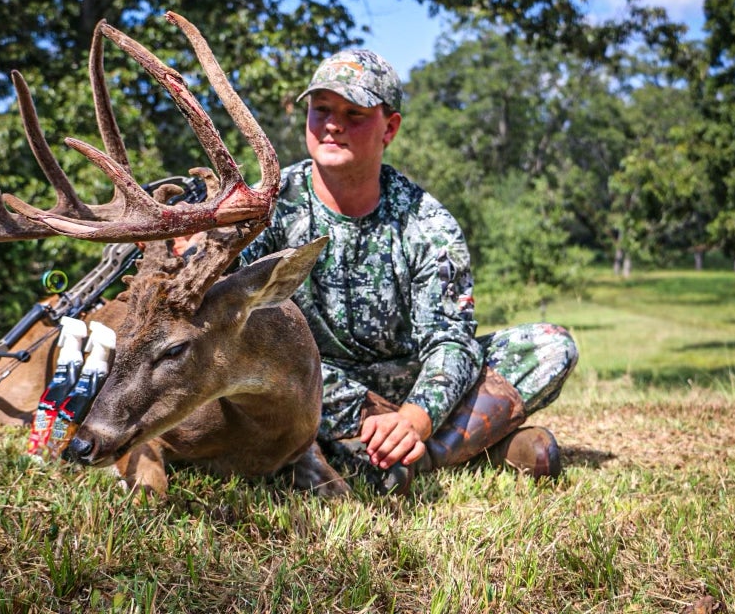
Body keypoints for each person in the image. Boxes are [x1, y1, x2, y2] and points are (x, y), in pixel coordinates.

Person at [234, 49, 579, 494]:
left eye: (354, 114)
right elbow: (238, 314)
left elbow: (450, 339)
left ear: (390, 128)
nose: (333, 125)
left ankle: (404, 453)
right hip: (316, 384)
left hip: (410, 383)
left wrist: (417, 417)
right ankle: (466, 446)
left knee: (551, 347)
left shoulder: (427, 221)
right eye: (321, 110)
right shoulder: (268, 206)